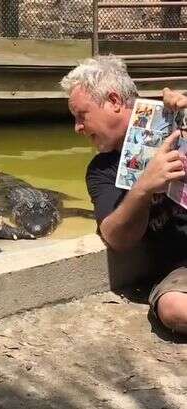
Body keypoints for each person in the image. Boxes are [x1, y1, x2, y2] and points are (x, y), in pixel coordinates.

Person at [60, 55, 187, 334]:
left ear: (114, 102)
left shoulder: (177, 122)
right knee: (174, 309)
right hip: (182, 268)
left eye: (82, 115)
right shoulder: (101, 170)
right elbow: (117, 238)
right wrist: (144, 187)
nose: (77, 128)